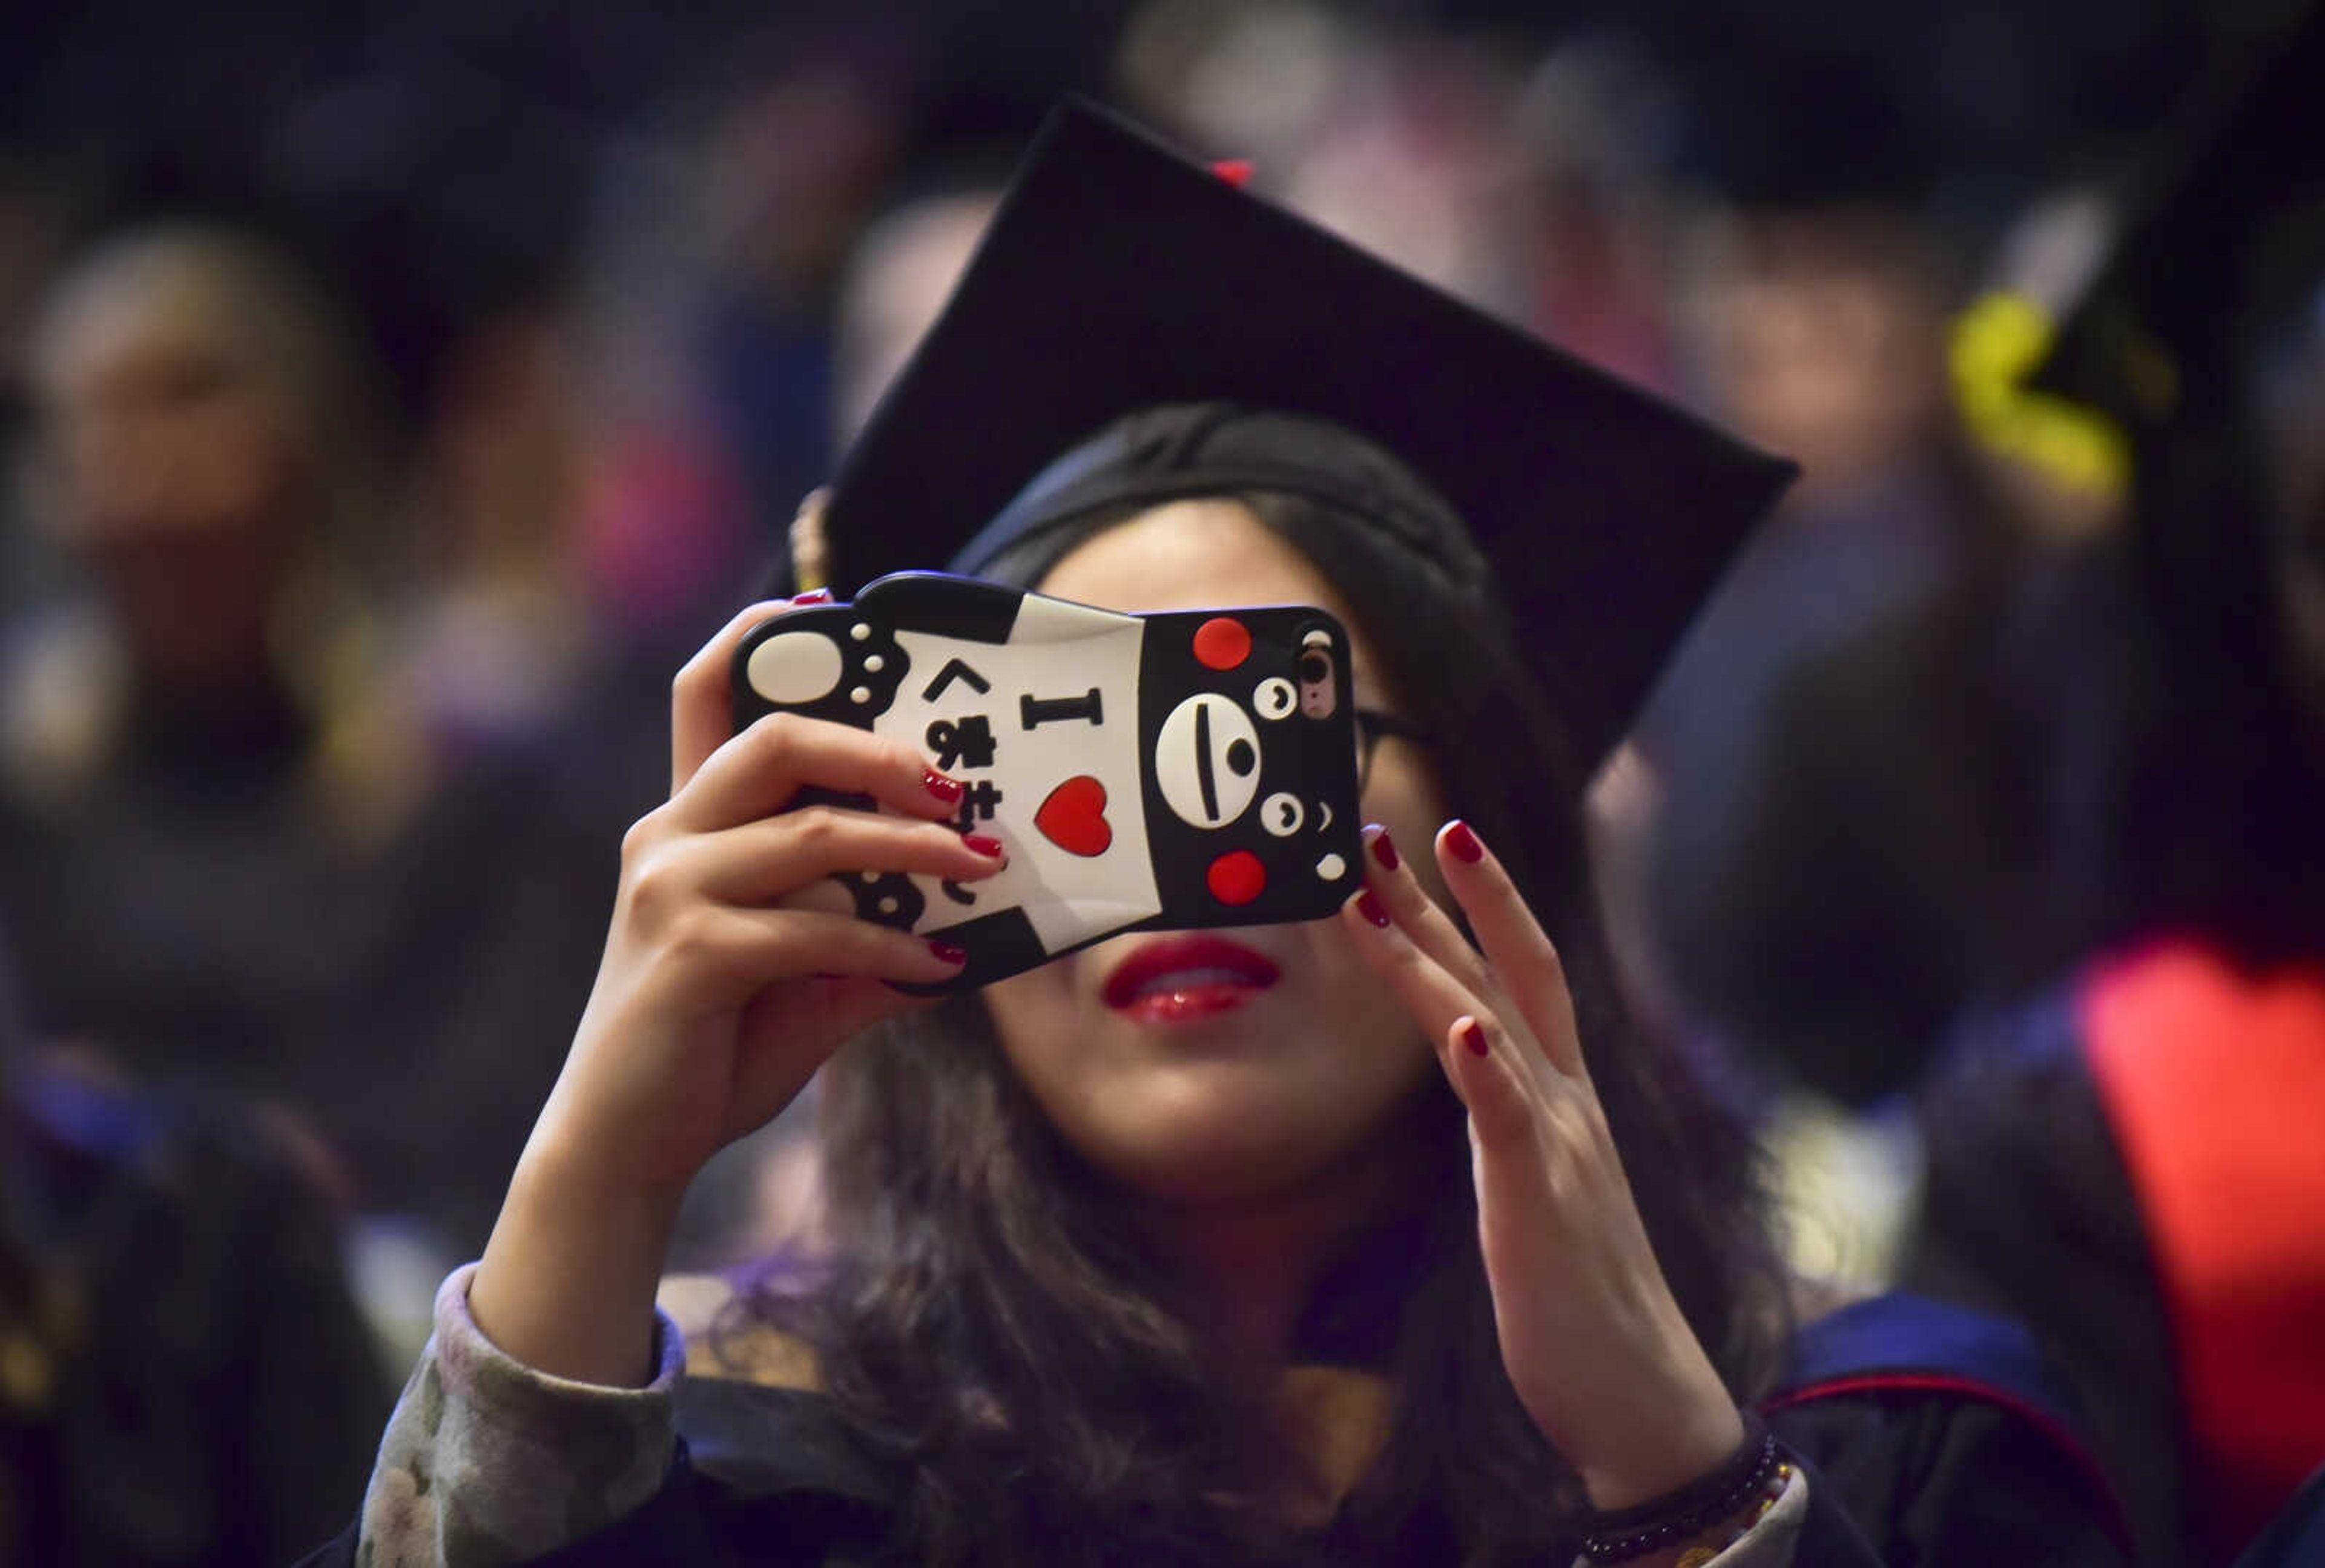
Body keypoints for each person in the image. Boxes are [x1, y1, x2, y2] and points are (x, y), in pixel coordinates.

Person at [316, 104, 2126, 1567]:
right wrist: (597, 1183)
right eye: (1061, 757)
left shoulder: (1893, 1452)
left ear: (1500, 822)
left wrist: (1679, 1488)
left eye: (1266, 745)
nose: (1168, 864)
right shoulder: (748, 1472)